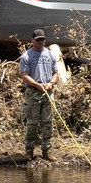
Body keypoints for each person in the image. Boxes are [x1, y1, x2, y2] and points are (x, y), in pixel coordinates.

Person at [20, 29, 60, 161]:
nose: (40, 42)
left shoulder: (50, 55)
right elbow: (25, 76)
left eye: (42, 39)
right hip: (33, 92)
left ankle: (47, 151)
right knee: (32, 123)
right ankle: (29, 151)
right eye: (38, 40)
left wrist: (51, 83)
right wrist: (37, 85)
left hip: (48, 93)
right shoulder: (26, 56)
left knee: (47, 123)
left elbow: (56, 74)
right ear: (32, 40)